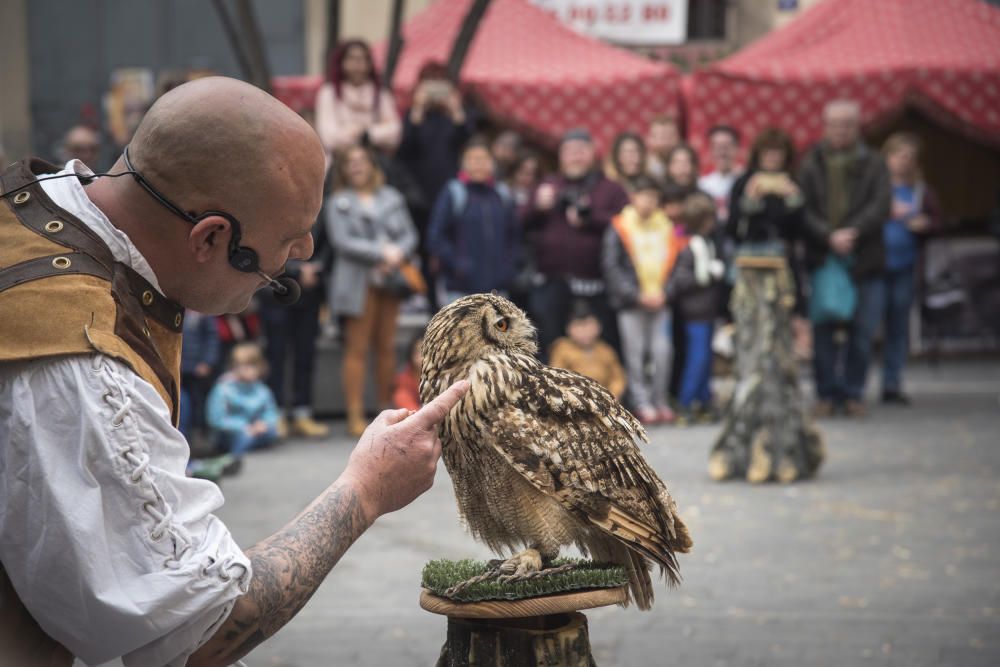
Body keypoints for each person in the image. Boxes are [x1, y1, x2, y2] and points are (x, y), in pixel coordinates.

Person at [0, 76, 468, 665]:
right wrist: (366, 489)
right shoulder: (80, 367)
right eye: (285, 247)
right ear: (211, 237)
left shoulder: (32, 203)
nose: (300, 256)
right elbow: (196, 633)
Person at [799, 99, 891, 417]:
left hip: (864, 256)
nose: (840, 130)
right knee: (823, 331)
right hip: (824, 257)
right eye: (834, 124)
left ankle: (853, 392)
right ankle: (825, 393)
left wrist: (853, 232)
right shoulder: (810, 162)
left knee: (863, 331)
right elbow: (802, 207)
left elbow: (881, 205)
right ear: (825, 127)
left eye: (847, 124)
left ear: (857, 126)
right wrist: (828, 235)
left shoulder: (875, 162)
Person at [327, 144, 419, 437]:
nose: (355, 166)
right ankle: (354, 413)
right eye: (349, 162)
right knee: (356, 348)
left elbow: (410, 235)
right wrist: (382, 252)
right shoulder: (337, 201)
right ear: (342, 170)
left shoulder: (392, 197)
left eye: (360, 161)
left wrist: (396, 256)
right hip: (357, 283)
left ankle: (385, 411)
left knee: (386, 347)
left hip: (389, 281)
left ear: (372, 166)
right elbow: (342, 242)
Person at [524, 128, 629, 360]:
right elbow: (519, 223)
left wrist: (591, 217)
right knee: (550, 346)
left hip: (595, 286)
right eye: (570, 152)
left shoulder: (610, 188)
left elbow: (627, 224)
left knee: (600, 348)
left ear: (593, 154)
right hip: (551, 284)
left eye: (581, 151)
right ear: (561, 156)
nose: (575, 156)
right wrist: (537, 207)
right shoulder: (547, 185)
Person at [397, 61, 475, 308]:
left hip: (450, 194)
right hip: (419, 196)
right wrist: (417, 110)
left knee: (450, 248)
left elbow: (468, 142)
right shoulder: (413, 115)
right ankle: (429, 302)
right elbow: (405, 149)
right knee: (423, 249)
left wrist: (455, 109)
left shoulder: (452, 117)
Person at [602, 175, 679, 424]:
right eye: (643, 196)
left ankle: (660, 399)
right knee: (635, 354)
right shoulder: (620, 225)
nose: (648, 202)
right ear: (633, 197)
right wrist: (635, 295)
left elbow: (679, 262)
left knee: (662, 351)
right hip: (632, 302)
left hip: (661, 299)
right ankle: (642, 401)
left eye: (653, 198)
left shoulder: (667, 225)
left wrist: (667, 292)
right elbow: (611, 266)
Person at [877, 132, 941, 405]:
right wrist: (885, 211)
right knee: (865, 326)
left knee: (898, 327)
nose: (904, 162)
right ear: (887, 157)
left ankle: (891, 383)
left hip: (905, 265)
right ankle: (851, 386)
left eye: (909, 158)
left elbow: (937, 222)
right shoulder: (875, 187)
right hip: (875, 266)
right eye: (899, 155)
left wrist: (925, 224)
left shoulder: (920, 190)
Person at [257, 220, 332, 438]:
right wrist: (297, 271)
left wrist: (316, 270)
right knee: (276, 355)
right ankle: (275, 413)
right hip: (276, 290)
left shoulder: (321, 204)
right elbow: (264, 245)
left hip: (310, 294)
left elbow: (329, 245)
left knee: (305, 355)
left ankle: (303, 413)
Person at [427, 137, 520, 304]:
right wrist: (457, 265)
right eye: (472, 159)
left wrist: (508, 269)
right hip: (459, 289)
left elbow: (513, 236)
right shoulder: (454, 192)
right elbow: (435, 237)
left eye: (483, 159)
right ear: (463, 163)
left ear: (492, 163)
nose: (479, 164)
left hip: (497, 290)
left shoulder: (502, 194)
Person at [727, 127, 808, 311]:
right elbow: (733, 228)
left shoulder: (793, 183)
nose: (772, 158)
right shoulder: (744, 182)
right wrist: (750, 202)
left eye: (777, 153)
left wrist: (794, 202)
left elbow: (801, 231)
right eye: (767, 153)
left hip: (783, 263)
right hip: (750, 262)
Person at [667, 193, 726, 425]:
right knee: (697, 359)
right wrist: (708, 275)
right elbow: (681, 280)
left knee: (706, 359)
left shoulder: (706, 244)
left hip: (707, 311)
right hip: (695, 313)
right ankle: (685, 402)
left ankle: (703, 400)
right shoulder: (690, 247)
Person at [315, 39, 401, 164]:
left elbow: (395, 132)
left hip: (375, 162)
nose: (358, 64)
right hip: (340, 163)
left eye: (363, 59)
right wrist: (358, 134)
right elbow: (328, 136)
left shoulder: (380, 94)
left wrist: (368, 133)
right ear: (342, 62)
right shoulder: (329, 93)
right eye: (352, 58)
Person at [206, 343, 280, 457]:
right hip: (230, 432)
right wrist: (244, 427)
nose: (245, 370)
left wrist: (263, 424)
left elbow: (271, 412)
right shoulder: (223, 388)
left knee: (272, 431)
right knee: (243, 437)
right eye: (241, 366)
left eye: (251, 366)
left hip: (254, 429)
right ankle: (233, 458)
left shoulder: (262, 390)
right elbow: (215, 419)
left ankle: (249, 444)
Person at [548, 300, 626, 401]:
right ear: (568, 329)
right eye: (579, 326)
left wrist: (612, 395)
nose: (585, 331)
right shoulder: (562, 349)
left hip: (605, 400)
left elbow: (618, 377)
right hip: (574, 400)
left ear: (599, 327)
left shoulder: (606, 350)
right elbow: (556, 377)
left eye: (589, 325)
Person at [179, 309, 222, 442]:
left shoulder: (203, 312)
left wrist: (207, 362)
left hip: (197, 368)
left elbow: (212, 339)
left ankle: (200, 433)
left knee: (199, 402)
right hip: (180, 367)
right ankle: (185, 434)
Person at [698, 125, 743, 222]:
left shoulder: (747, 182)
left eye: (726, 147)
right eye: (717, 147)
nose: (722, 152)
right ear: (710, 151)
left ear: (737, 148)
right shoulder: (702, 184)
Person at [392, 331, 424, 411]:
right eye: (417, 352)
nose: (421, 358)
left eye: (425, 352)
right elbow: (409, 410)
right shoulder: (403, 381)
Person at [645, 114, 681, 182]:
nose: (665, 142)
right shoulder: (643, 168)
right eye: (661, 137)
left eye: (670, 137)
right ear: (649, 139)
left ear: (677, 139)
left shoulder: (686, 166)